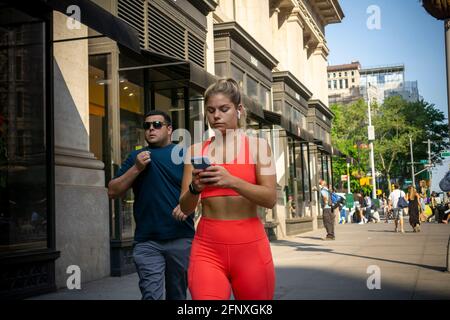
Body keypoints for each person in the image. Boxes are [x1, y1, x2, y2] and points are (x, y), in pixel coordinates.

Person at [178, 78, 277, 300]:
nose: (216, 115)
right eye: (211, 110)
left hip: (251, 248)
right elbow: (185, 207)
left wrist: (232, 181)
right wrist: (195, 188)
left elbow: (270, 198)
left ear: (239, 109)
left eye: (224, 109)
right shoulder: (195, 151)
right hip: (207, 248)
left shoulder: (259, 147)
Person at [108, 110, 194, 300]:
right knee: (151, 295)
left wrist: (187, 207)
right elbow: (113, 191)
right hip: (147, 241)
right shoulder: (136, 157)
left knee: (178, 295)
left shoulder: (184, 154)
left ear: (169, 129)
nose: (151, 129)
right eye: (147, 126)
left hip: (180, 237)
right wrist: (136, 168)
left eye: (157, 125)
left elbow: (199, 187)